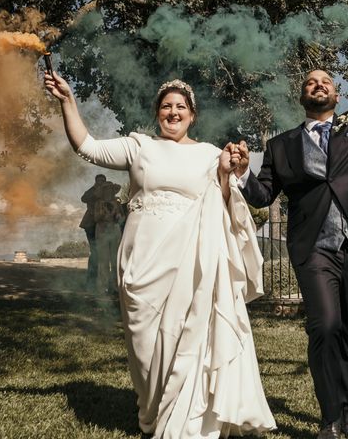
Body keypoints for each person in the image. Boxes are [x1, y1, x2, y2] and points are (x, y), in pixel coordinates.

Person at [44, 74, 276, 438]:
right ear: (157, 113)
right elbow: (86, 146)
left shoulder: (211, 154)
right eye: (166, 106)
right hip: (141, 259)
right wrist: (67, 100)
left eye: (181, 106)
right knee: (145, 346)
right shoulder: (139, 147)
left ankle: (188, 423)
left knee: (188, 339)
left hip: (191, 260)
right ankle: (154, 412)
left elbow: (228, 202)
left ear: (192, 115)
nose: (173, 111)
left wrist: (233, 172)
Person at [229, 16, 348, 439]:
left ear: (336, 94)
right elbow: (263, 195)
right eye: (311, 81)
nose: (318, 84)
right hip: (313, 246)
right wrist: (244, 174)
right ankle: (329, 420)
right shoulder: (281, 145)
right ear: (301, 96)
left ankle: (346, 419)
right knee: (324, 326)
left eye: (326, 80)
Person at [94, 180, 123, 294]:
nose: (109, 191)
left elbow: (122, 218)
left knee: (116, 260)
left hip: (114, 230)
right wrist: (104, 214)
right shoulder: (99, 203)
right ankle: (102, 287)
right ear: (103, 191)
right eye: (106, 189)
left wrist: (118, 216)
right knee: (103, 260)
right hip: (102, 231)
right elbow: (96, 218)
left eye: (111, 189)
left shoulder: (117, 203)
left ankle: (116, 287)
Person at [79, 174, 105, 289]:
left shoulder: (106, 192)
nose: (101, 183)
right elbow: (83, 198)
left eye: (103, 181)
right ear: (95, 181)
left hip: (103, 225)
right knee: (95, 252)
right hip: (91, 224)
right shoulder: (92, 191)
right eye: (99, 181)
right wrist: (95, 191)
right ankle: (91, 282)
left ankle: (99, 281)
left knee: (101, 253)